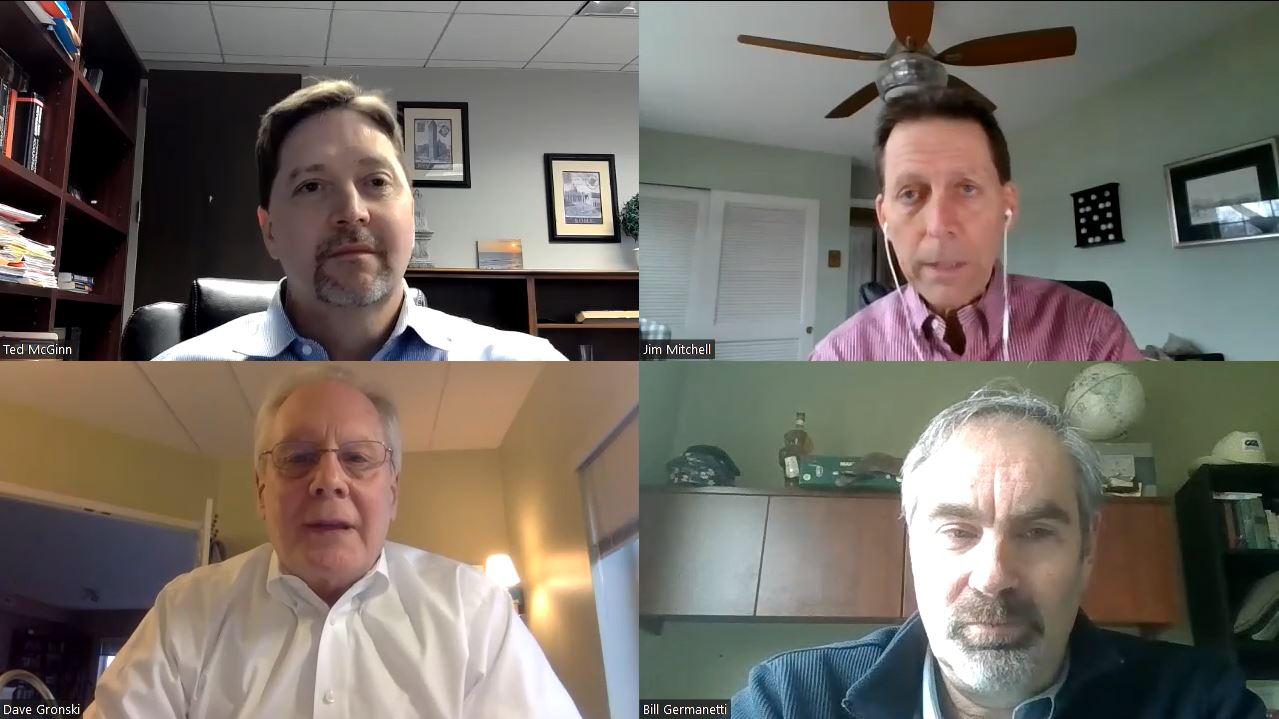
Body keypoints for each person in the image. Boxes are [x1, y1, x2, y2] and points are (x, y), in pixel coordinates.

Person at [731, 386, 1264, 719]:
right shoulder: (789, 700)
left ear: (1088, 548)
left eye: (1035, 532)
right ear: (913, 545)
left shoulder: (1200, 701)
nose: (994, 577)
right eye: (958, 531)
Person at [84, 368, 581, 718]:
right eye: (297, 457)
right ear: (261, 492)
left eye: (358, 458)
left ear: (393, 491)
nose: (328, 480)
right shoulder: (185, 609)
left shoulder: (475, 609)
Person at [154, 80, 564, 361]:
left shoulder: (531, 369)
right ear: (270, 230)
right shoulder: (173, 380)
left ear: (411, 209)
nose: (352, 211)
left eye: (376, 181)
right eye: (312, 186)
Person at [809, 88, 1143, 361]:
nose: (939, 225)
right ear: (884, 217)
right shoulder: (837, 358)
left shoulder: (1094, 336)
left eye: (967, 189)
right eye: (910, 194)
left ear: (1007, 206)